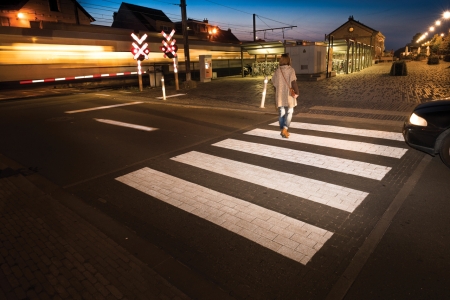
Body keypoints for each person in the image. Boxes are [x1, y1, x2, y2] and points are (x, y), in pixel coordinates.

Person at [271, 53, 299, 138]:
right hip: (288, 94)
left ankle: (282, 129)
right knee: (290, 111)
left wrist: (277, 91)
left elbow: (274, 82)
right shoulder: (291, 70)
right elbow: (293, 82)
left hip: (279, 94)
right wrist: (297, 92)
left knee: (281, 112)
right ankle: (285, 129)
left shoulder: (277, 71)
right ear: (288, 60)